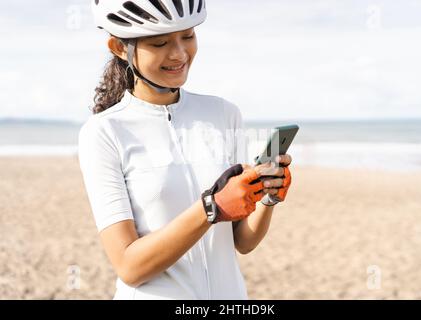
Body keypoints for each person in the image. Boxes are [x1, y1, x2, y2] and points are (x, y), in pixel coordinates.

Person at [78, 0, 293, 300]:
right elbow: (129, 266)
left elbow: (242, 241)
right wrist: (211, 208)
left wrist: (267, 197)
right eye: (160, 42)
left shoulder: (223, 113)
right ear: (117, 47)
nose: (179, 53)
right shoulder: (103, 133)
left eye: (188, 36)